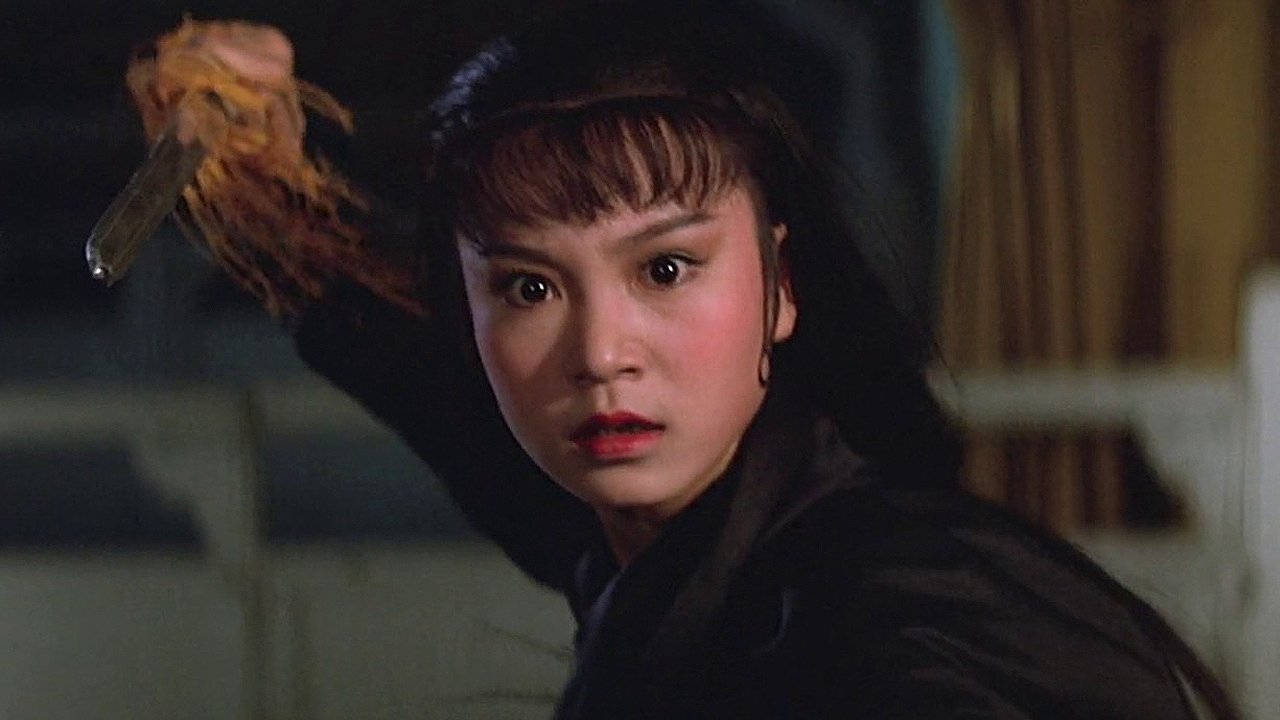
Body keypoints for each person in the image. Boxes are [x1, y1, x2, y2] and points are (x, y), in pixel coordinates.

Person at [132, 2, 1238, 718]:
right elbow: (407, 364)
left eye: (665, 270)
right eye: (529, 288)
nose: (600, 354)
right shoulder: (649, 539)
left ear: (781, 283)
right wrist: (246, 169)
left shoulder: (888, 624)